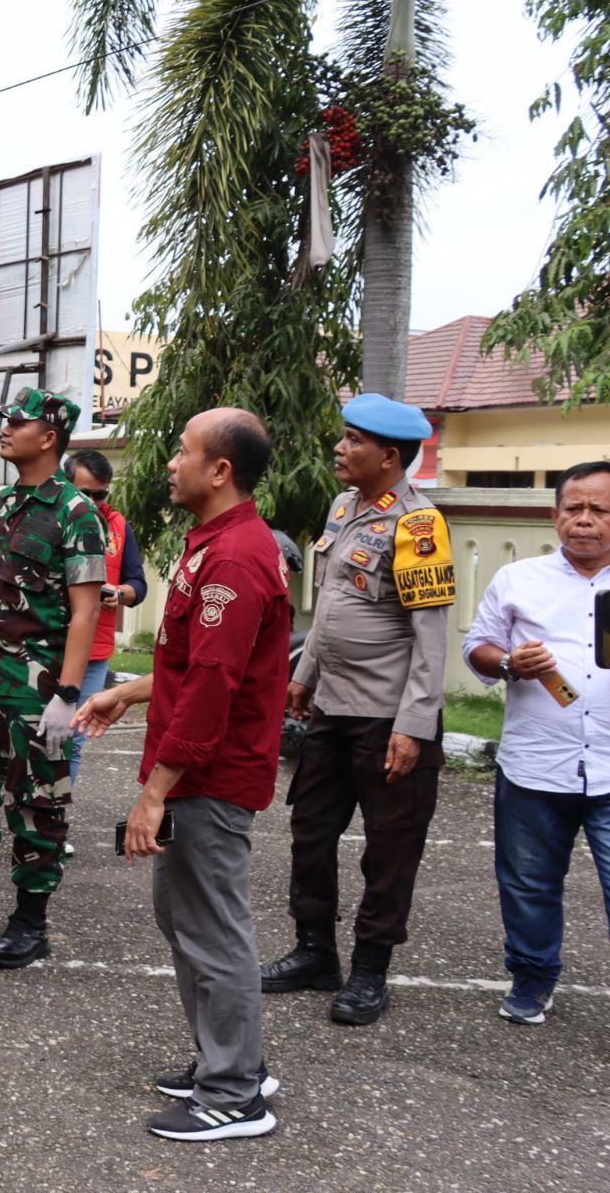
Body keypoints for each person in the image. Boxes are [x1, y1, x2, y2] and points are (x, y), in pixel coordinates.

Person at [74, 408, 289, 1142]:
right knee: (185, 917)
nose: (170, 461)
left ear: (220, 469)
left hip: (208, 775)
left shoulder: (235, 557)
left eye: (182, 450)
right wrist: (127, 690)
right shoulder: (216, 542)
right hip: (197, 768)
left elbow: (214, 686)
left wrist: (154, 791)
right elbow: (192, 662)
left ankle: (235, 1093)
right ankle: (232, 1061)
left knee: (213, 930)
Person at [263, 393, 455, 1026]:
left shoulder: (419, 526)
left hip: (388, 716)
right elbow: (333, 606)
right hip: (333, 708)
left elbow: (430, 635)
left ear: (389, 456)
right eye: (343, 438)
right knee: (311, 832)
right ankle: (315, 951)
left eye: (353, 441)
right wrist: (305, 674)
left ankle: (370, 970)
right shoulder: (345, 507)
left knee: (389, 847)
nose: (340, 449)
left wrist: (413, 727)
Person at [0, 388, 104, 967]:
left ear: (49, 436)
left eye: (17, 421)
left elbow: (86, 610)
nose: (5, 429)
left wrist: (67, 694)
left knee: (36, 804)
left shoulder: (76, 513)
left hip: (33, 689)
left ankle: (31, 924)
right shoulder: (1, 503)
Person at [461, 460, 610, 1027]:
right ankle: (532, 976)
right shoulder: (520, 580)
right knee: (528, 882)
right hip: (536, 762)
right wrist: (509, 663)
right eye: (574, 508)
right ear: (555, 516)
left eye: (599, 509)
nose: (585, 520)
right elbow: (480, 647)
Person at [65, 448, 148, 782]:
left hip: (95, 654)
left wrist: (118, 593)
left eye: (100, 494)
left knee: (74, 739)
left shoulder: (118, 526)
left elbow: (137, 584)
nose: (93, 502)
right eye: (84, 493)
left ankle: (53, 821)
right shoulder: (51, 519)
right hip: (49, 645)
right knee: (37, 737)